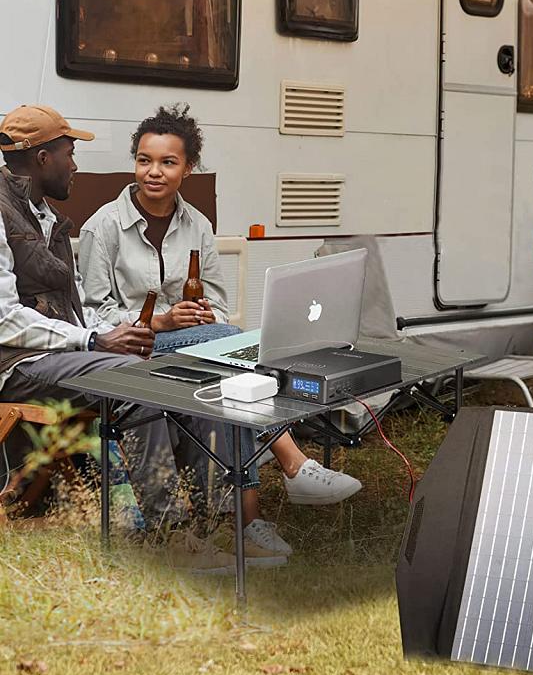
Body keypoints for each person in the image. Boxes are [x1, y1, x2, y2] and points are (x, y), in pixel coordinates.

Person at [78, 105, 362, 556]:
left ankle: (241, 522)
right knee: (229, 348)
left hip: (191, 350)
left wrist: (204, 318)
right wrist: (163, 321)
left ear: (188, 168)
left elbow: (221, 306)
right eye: (144, 160)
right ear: (134, 162)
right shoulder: (104, 227)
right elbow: (93, 315)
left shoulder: (198, 226)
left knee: (229, 374)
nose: (154, 172)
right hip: (130, 353)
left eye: (168, 162)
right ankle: (292, 464)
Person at [0, 104, 242, 570]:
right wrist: (94, 341)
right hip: (16, 364)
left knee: (186, 372)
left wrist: (109, 334)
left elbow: (71, 311)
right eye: (69, 154)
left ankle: (216, 521)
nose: (76, 165)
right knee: (136, 380)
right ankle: (170, 531)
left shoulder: (43, 215)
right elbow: (5, 320)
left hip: (58, 351)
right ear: (42, 158)